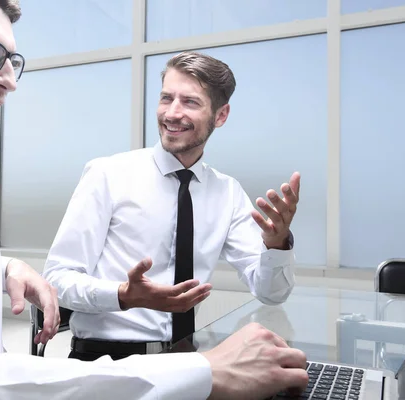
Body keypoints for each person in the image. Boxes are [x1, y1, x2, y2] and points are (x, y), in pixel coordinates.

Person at [0, 0, 308, 398]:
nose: (10, 81)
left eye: (12, 60)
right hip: (103, 367)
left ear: (220, 115)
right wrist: (199, 368)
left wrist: (4, 266)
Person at [44, 51, 301, 362]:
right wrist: (123, 296)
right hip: (104, 362)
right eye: (166, 98)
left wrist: (276, 246)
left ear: (220, 115)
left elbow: (271, 293)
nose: (171, 113)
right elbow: (58, 279)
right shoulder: (107, 175)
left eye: (190, 102)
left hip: (185, 362)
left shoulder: (227, 193)